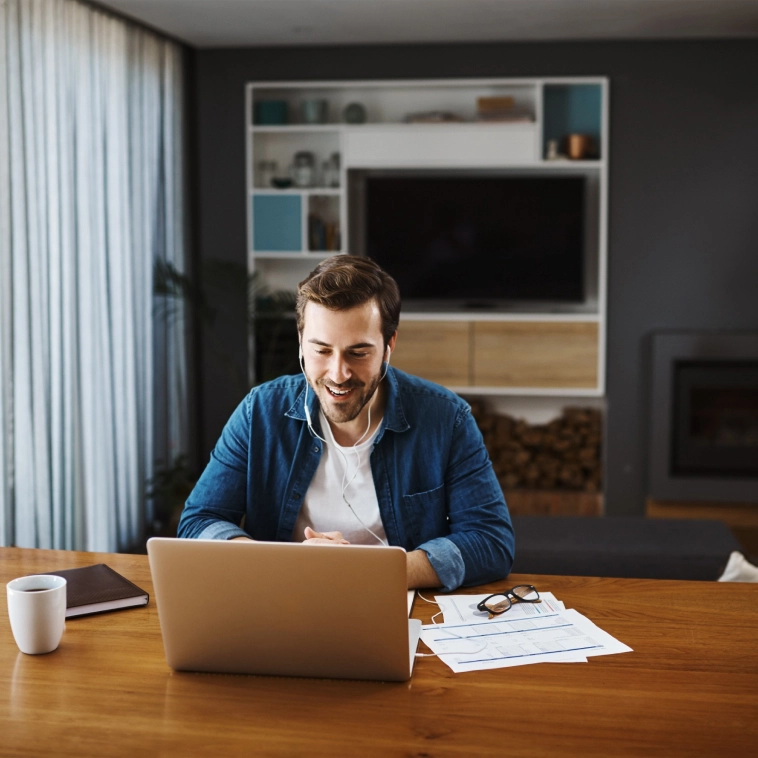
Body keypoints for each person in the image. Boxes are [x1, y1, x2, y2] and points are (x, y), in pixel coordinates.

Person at [177, 255, 514, 591]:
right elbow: (199, 521)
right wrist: (284, 565)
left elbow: (490, 541)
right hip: (282, 600)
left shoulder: (446, 419)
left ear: (388, 346)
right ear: (300, 341)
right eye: (322, 351)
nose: (338, 374)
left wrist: (363, 571)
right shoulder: (259, 412)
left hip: (391, 602)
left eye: (358, 352)